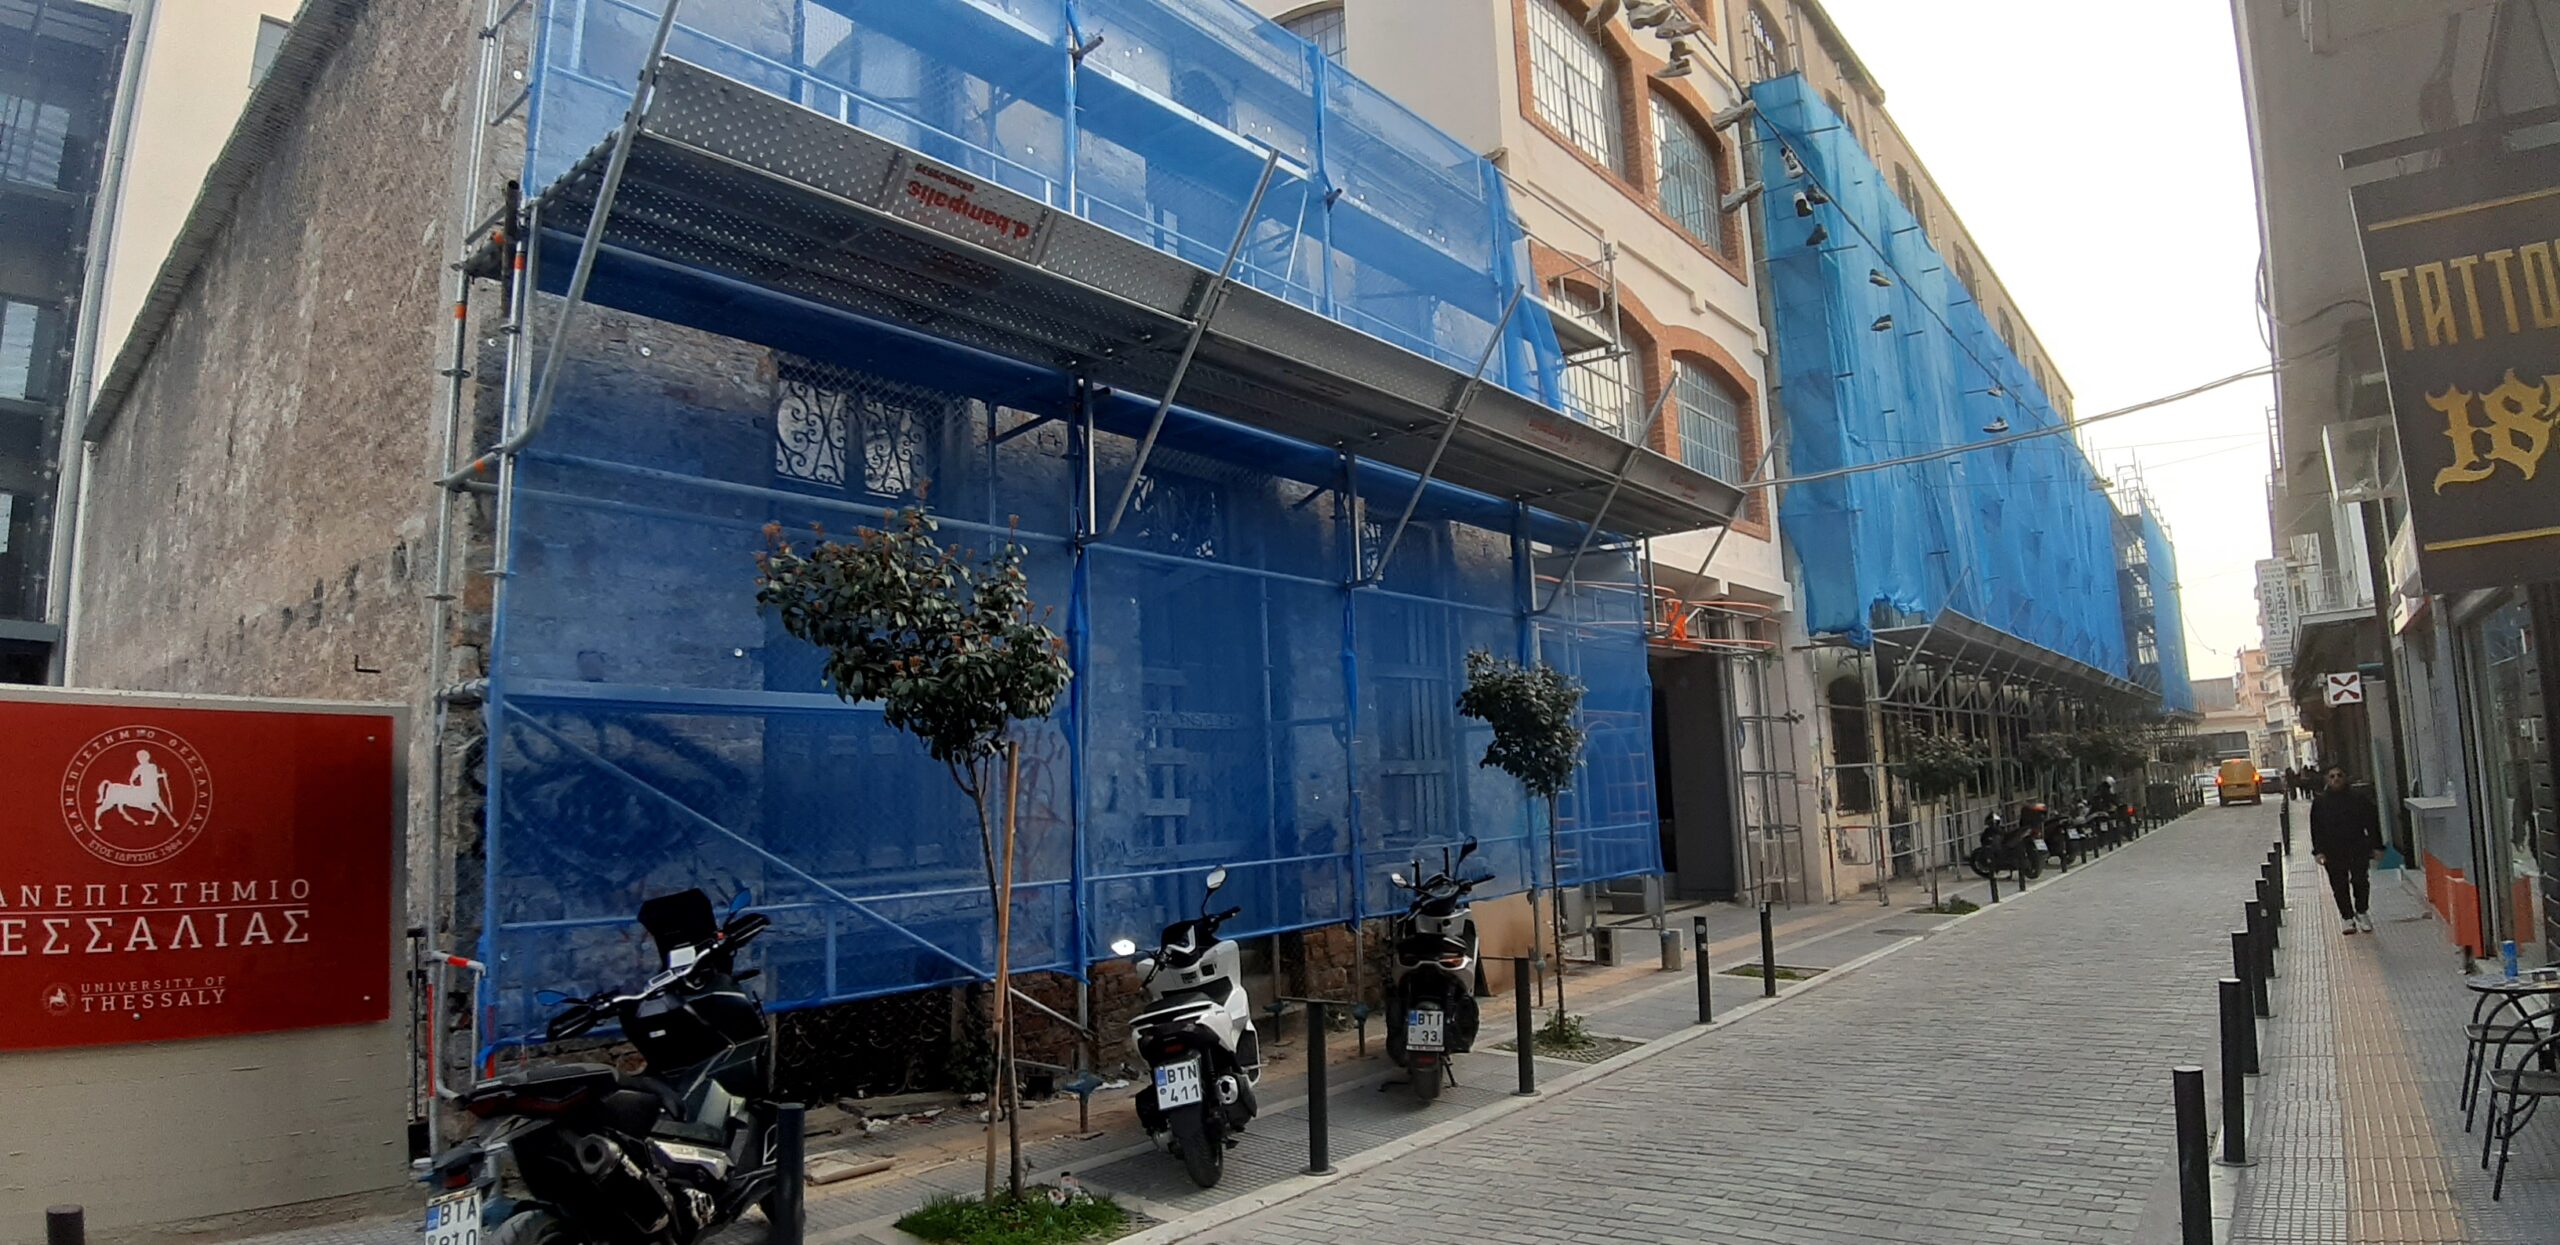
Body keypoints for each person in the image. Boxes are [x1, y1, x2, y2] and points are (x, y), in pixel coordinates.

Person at [2309, 765, 2384, 934]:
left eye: (2339, 775)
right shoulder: (2320, 802)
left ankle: (2362, 912)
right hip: (2332, 851)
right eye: (2332, 776)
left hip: (2357, 847)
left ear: (2345, 778)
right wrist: (2318, 851)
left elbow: (2372, 823)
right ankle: (2347, 918)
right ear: (2326, 779)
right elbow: (2316, 829)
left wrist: (2377, 846)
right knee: (2339, 885)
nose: (2336, 779)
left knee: (2360, 880)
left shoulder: (2359, 798)